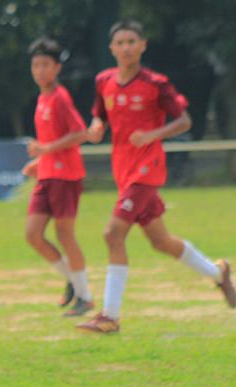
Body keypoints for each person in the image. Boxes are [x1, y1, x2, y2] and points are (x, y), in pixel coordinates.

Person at [77, 19, 235, 334]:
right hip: (123, 171)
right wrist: (94, 129)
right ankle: (219, 273)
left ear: (142, 45)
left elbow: (184, 121)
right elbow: (100, 117)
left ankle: (109, 317)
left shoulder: (155, 84)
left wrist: (153, 134)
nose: (125, 48)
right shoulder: (104, 81)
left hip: (147, 170)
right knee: (161, 241)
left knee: (112, 234)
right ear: (111, 49)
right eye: (119, 43)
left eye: (131, 42)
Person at [21, 37, 93, 317]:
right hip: (48, 175)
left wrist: (45, 150)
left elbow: (79, 134)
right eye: (35, 65)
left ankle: (85, 297)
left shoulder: (60, 97)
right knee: (33, 235)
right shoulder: (42, 98)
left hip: (66, 177)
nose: (39, 70)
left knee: (65, 235)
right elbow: (54, 140)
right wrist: (40, 161)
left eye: (45, 65)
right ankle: (73, 281)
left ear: (56, 68)